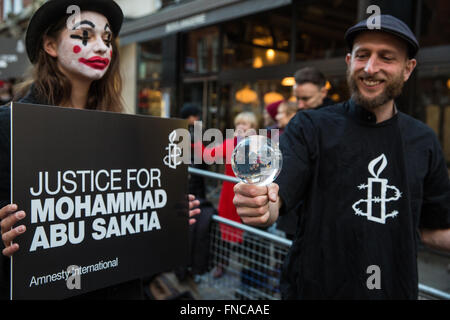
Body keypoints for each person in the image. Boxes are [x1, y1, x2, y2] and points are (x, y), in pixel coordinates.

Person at [233, 14, 450, 299]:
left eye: (386, 57)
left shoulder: (424, 141)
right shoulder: (310, 127)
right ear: (349, 62)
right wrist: (260, 205)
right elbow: (277, 198)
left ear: (408, 69)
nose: (371, 68)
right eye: (363, 55)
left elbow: (432, 229)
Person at [0, 0, 200, 300]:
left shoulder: (124, 130)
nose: (102, 47)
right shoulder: (10, 125)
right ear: (50, 46)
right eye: (84, 35)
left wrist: (165, 212)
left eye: (107, 39)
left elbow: (127, 220)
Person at [198, 111, 258, 278]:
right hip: (229, 194)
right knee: (226, 230)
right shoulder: (230, 143)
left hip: (251, 193)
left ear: (253, 128)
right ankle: (222, 263)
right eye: (238, 123)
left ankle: (249, 270)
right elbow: (208, 155)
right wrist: (194, 141)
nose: (240, 127)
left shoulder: (259, 146)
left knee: (249, 231)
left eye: (245, 124)